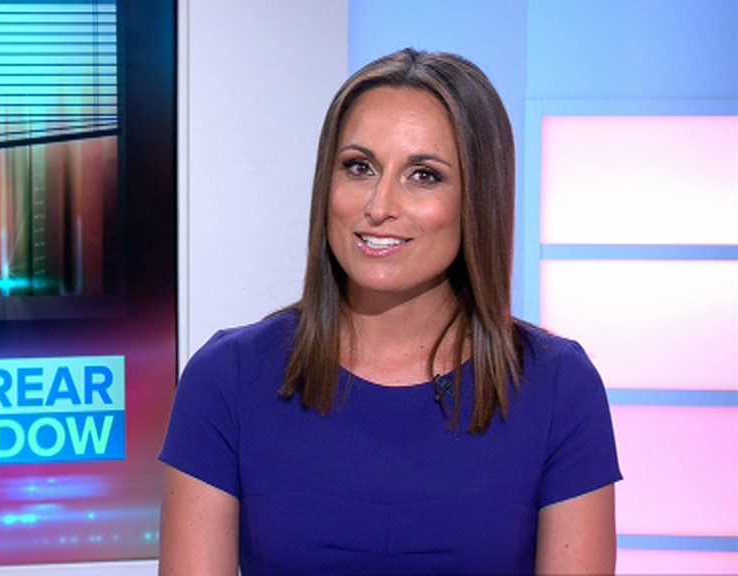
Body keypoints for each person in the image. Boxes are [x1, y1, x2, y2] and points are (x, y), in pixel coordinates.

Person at [157, 47, 622, 575]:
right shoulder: (229, 378)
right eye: (359, 167)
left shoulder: (557, 387)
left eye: (423, 175)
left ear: (478, 197)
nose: (379, 206)